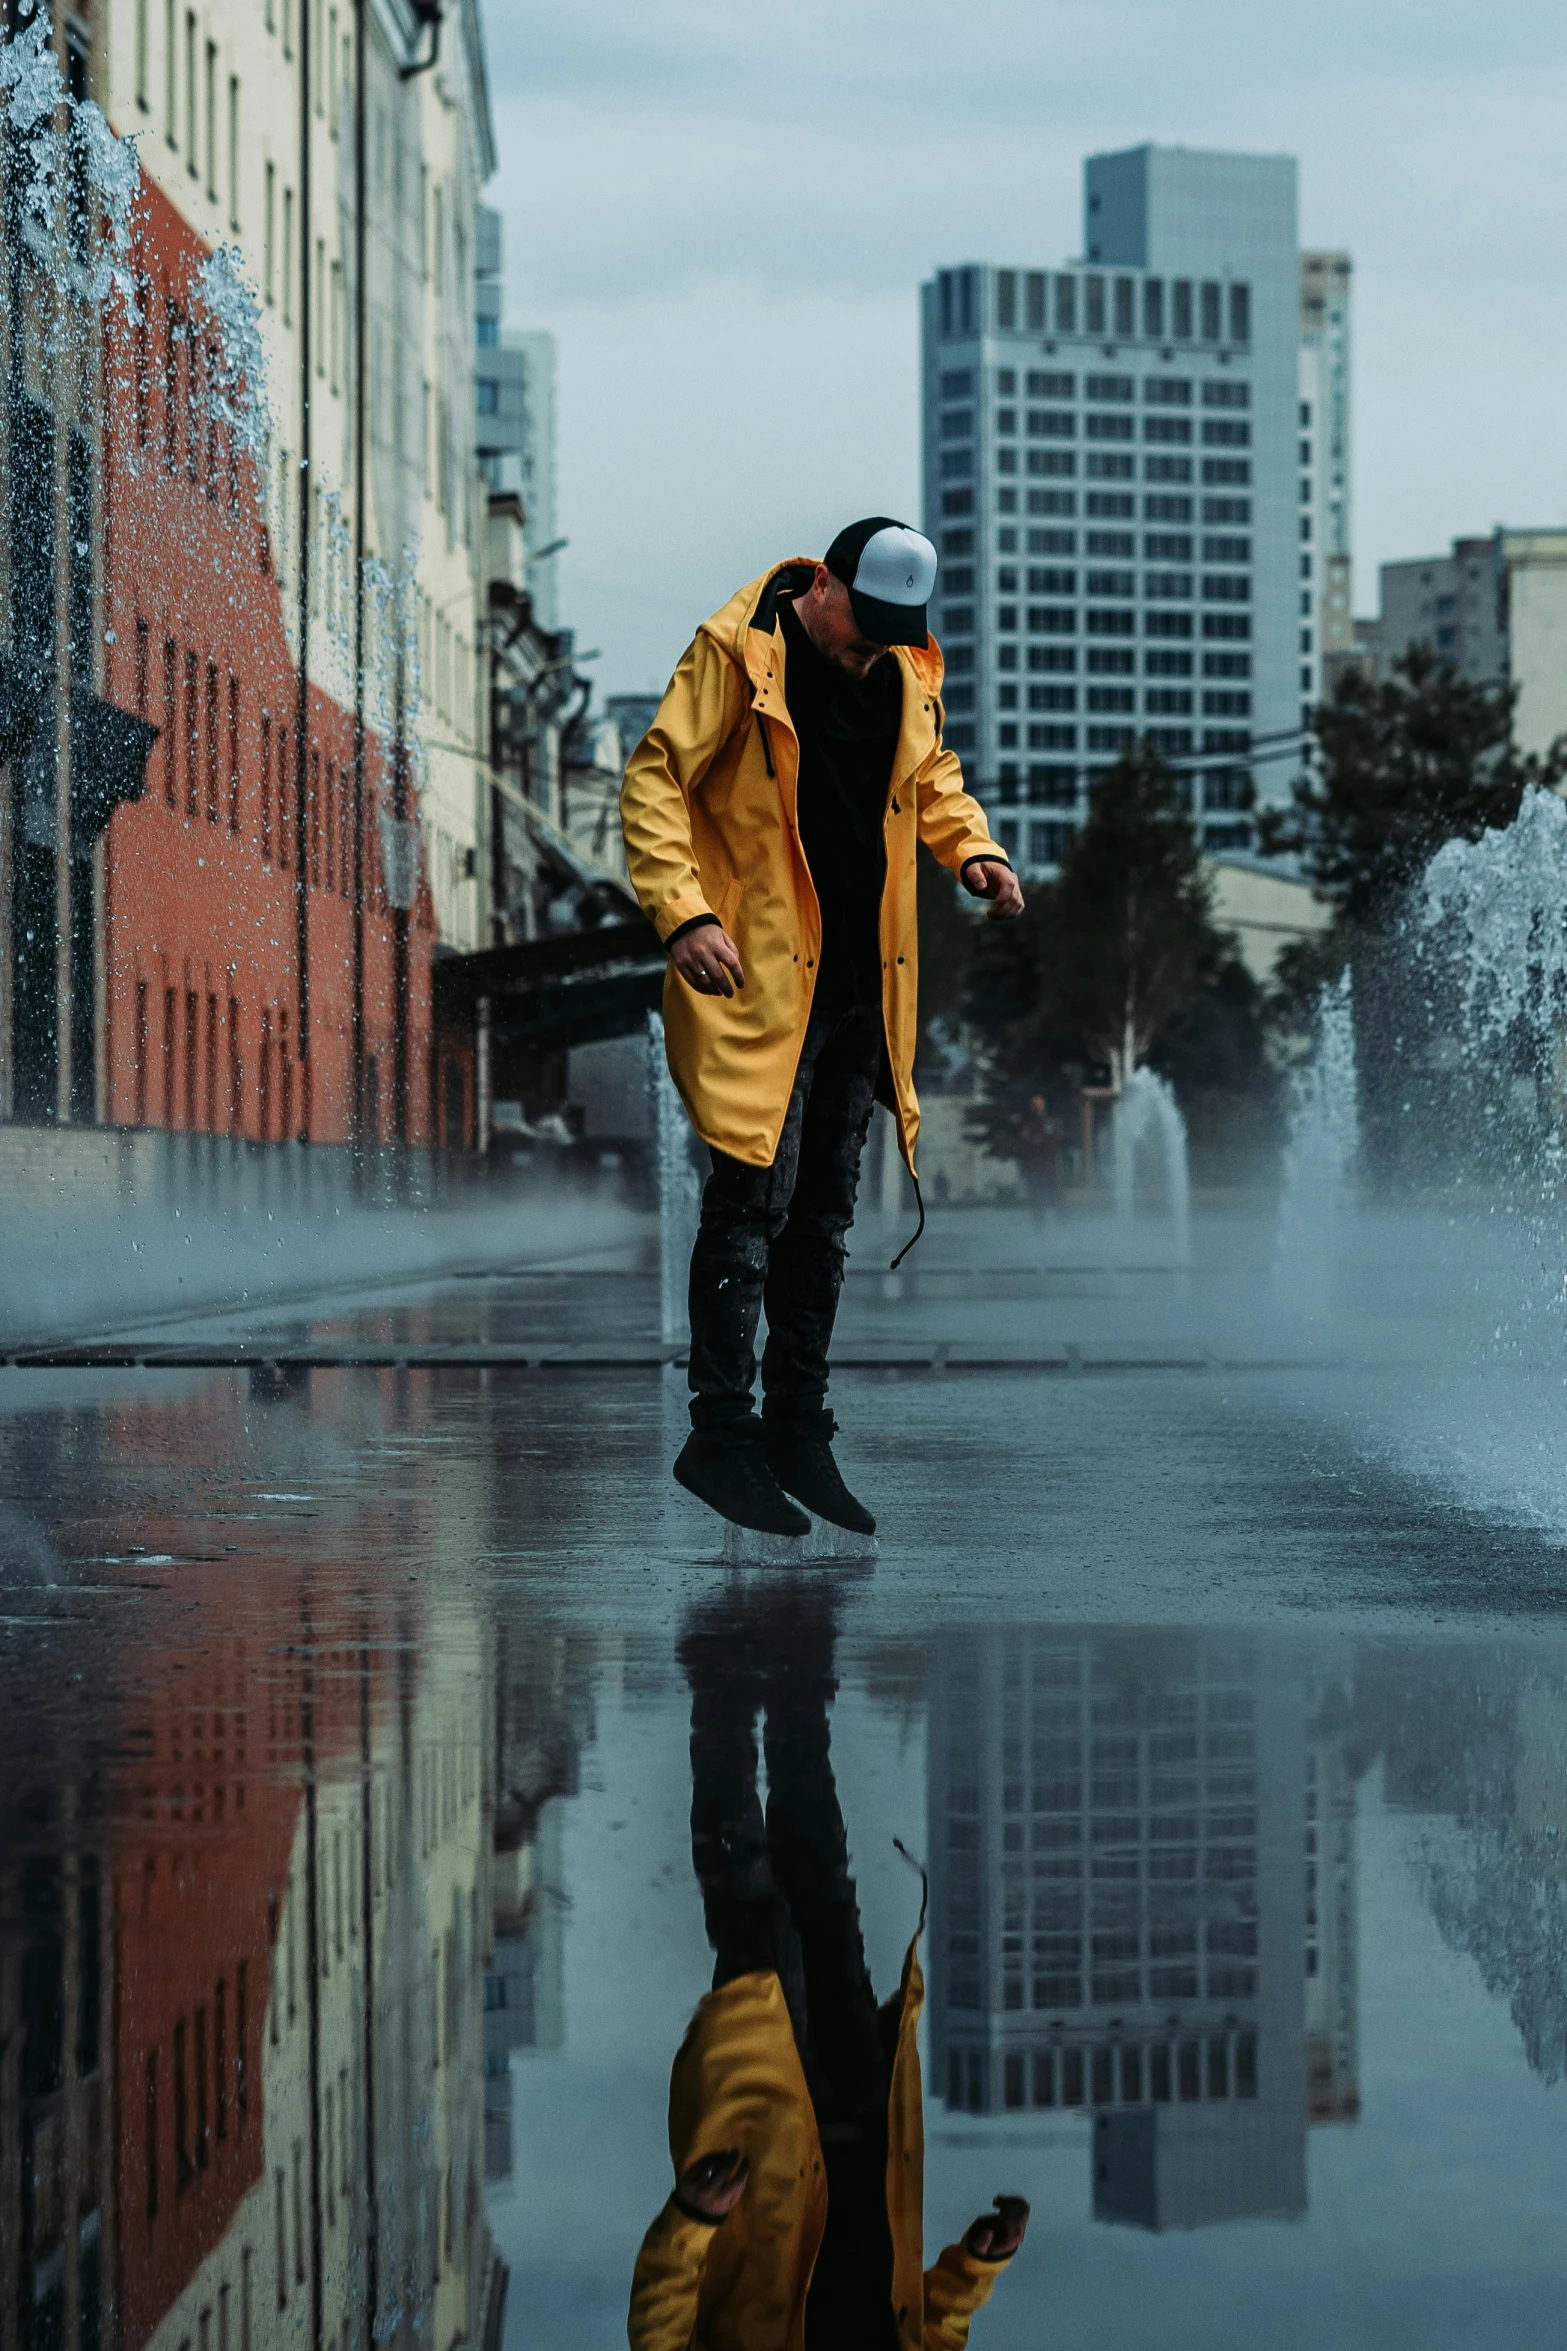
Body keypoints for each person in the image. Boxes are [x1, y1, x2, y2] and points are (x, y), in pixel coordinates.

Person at [621, 519, 1025, 1537]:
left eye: (896, 630)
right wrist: (685, 913)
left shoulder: (901, 669)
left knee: (826, 1217)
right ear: (827, 584)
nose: (872, 646)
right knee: (750, 1201)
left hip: (861, 985)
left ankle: (799, 1427)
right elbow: (655, 778)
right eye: (864, 624)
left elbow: (931, 777)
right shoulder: (736, 650)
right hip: (759, 977)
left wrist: (969, 848)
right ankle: (720, 1432)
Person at [628, 1589, 1029, 2349]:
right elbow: (933, 2333)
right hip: (865, 2121)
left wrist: (690, 2221)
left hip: (767, 2147)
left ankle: (720, 1691)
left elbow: (657, 2338)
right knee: (821, 1886)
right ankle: (796, 1684)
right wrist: (977, 2268)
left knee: (755, 1914)